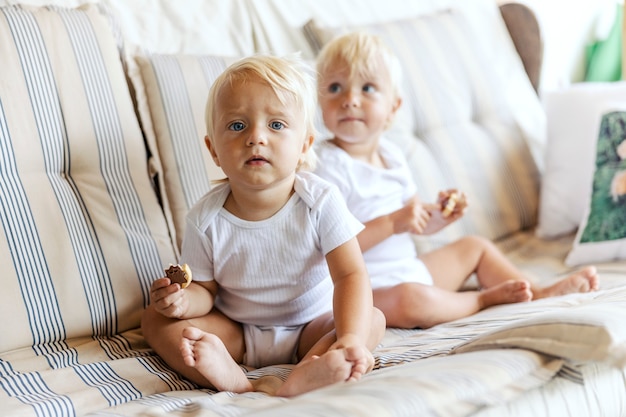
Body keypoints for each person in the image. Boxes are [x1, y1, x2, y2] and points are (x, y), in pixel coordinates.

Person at [314, 31, 600, 329]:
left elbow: (417, 218)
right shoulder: (327, 165)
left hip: (410, 270)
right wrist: (393, 223)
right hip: (361, 290)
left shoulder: (392, 156)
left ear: (393, 108)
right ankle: (481, 300)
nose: (350, 100)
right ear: (320, 103)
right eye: (335, 88)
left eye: (368, 88)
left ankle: (536, 290)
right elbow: (328, 248)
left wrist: (439, 214)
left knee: (475, 247)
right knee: (412, 300)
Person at [141, 54, 385, 397]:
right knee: (154, 321)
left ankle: (307, 372)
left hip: (311, 327)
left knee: (371, 319)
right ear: (213, 150)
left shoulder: (320, 201)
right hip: (237, 332)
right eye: (237, 125)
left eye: (276, 125)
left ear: (304, 146)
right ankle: (238, 382)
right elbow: (205, 292)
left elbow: (351, 275)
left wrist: (348, 339)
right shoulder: (205, 218)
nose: (256, 137)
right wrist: (181, 304)